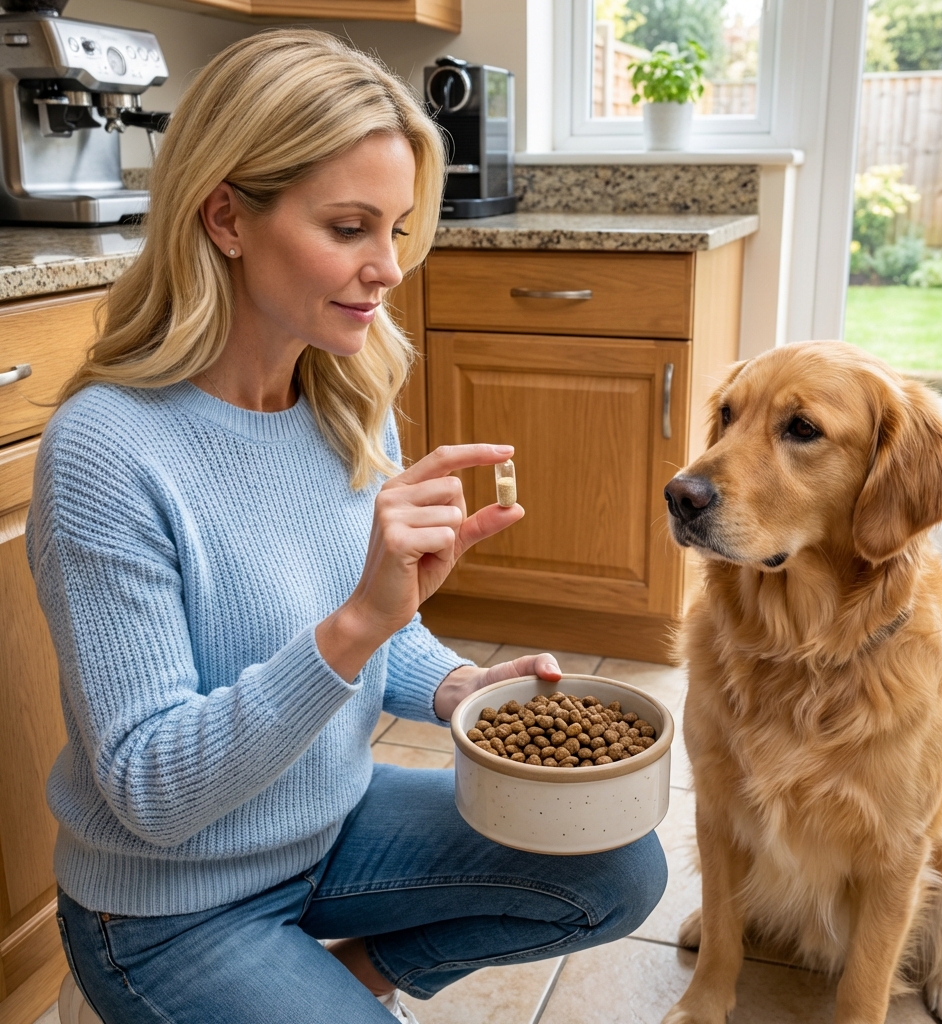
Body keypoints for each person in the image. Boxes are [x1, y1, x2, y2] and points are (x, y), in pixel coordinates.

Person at [28, 30, 667, 1024]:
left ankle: (350, 980)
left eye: (398, 228)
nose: (386, 269)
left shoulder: (345, 390)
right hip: (169, 908)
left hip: (330, 830)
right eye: (348, 227)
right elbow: (148, 790)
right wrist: (358, 624)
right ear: (226, 216)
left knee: (613, 860)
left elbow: (379, 630)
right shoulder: (108, 451)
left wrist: (455, 680)